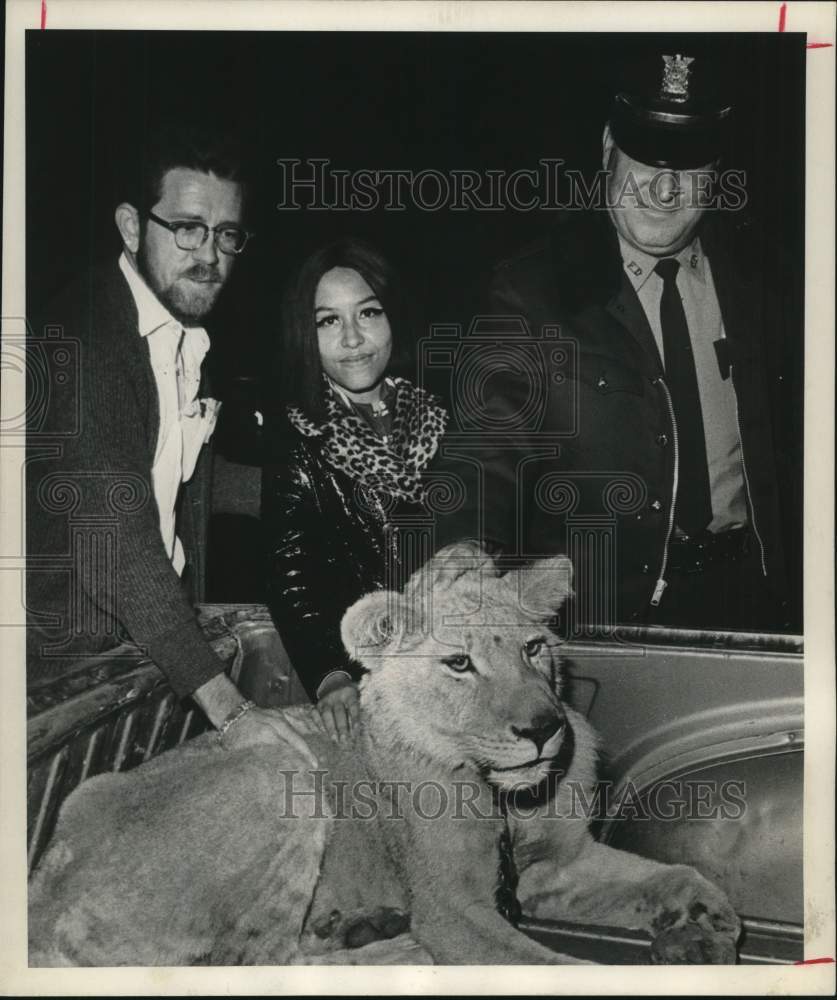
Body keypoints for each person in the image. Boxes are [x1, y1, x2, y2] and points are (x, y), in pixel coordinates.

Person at [435, 51, 797, 634]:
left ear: (718, 172)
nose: (665, 188)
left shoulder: (773, 281)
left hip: (757, 601)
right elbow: (486, 445)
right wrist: (464, 546)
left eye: (689, 164)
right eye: (647, 159)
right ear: (607, 148)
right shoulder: (533, 290)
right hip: (606, 616)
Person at [26, 124, 316, 761]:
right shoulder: (83, 339)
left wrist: (319, 480)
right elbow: (118, 546)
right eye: (186, 227)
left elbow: (187, 479)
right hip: (59, 683)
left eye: (226, 235)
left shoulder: (185, 335)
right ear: (132, 228)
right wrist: (230, 709)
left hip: (142, 654)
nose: (208, 254)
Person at [262, 238, 448, 741]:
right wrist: (331, 675)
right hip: (365, 670)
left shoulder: (443, 418)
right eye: (328, 321)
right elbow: (292, 571)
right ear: (306, 334)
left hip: (451, 661)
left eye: (368, 313)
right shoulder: (299, 438)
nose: (352, 339)